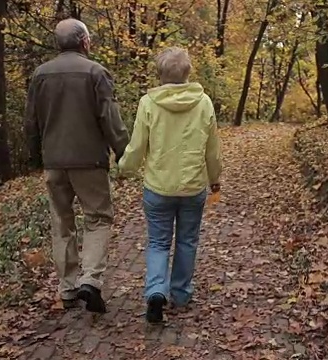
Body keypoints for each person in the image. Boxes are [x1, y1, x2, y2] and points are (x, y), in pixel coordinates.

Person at [24, 18, 130, 313]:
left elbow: (30, 121)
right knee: (97, 218)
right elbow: (109, 118)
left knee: (62, 222)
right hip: (90, 161)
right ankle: (91, 280)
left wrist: (36, 156)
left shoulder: (40, 74)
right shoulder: (96, 72)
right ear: (84, 42)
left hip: (54, 161)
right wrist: (124, 152)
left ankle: (68, 289)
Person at [118, 46, 222, 324]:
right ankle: (181, 293)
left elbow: (138, 145)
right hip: (192, 187)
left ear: (160, 74)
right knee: (187, 241)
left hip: (158, 187)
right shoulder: (204, 103)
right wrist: (215, 179)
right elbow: (212, 150)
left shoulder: (148, 103)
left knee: (158, 242)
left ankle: (155, 291)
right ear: (188, 73)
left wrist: (124, 168)